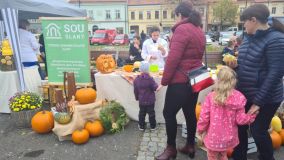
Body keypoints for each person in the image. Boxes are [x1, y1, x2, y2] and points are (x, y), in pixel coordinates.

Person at [225, 4, 284, 160]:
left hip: (267, 98)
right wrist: (236, 66)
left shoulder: (276, 39)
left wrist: (258, 102)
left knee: (258, 130)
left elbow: (276, 73)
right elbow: (247, 67)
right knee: (239, 127)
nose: (243, 26)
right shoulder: (248, 38)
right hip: (246, 94)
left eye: (245, 22)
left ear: (253, 20)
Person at [156, 2, 205, 160]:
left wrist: (164, 81)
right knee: (190, 112)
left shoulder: (182, 29)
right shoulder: (199, 29)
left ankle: (171, 149)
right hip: (195, 78)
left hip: (180, 80)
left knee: (168, 113)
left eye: (175, 16)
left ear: (179, 15)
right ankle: (190, 146)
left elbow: (173, 59)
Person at [197, 66, 257, 160]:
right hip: (228, 138)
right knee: (223, 155)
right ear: (234, 81)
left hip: (213, 139)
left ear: (217, 80)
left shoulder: (211, 97)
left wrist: (200, 130)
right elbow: (241, 120)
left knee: (212, 157)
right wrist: (252, 116)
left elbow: (204, 117)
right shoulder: (239, 97)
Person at [133, 61, 161, 131]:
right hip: (150, 101)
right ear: (149, 70)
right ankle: (153, 126)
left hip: (141, 100)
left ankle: (141, 126)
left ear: (140, 69)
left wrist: (137, 98)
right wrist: (160, 85)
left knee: (142, 113)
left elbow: (135, 90)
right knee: (151, 113)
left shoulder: (136, 79)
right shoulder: (150, 79)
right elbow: (155, 88)